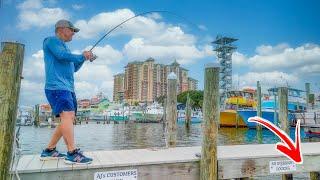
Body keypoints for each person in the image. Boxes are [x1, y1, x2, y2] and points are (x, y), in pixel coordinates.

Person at [40, 19, 94, 164]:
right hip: (56, 87)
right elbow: (61, 56)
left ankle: (49, 150)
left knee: (67, 119)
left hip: (67, 89)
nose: (73, 34)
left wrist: (83, 59)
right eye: (72, 30)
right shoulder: (50, 41)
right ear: (62, 29)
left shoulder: (66, 50)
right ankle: (72, 153)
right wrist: (82, 55)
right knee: (68, 115)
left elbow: (74, 68)